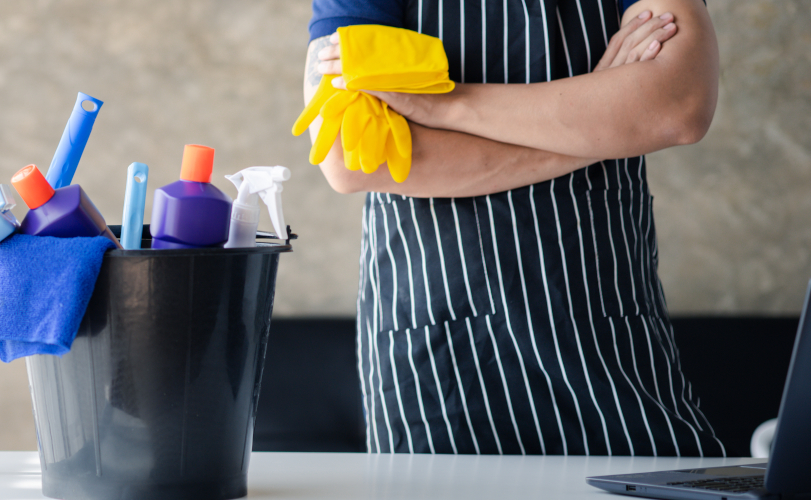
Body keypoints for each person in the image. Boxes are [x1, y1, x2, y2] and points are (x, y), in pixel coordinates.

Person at [302, 0, 724, 455]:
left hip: (610, 344)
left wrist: (446, 104)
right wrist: (604, 125)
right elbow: (353, 159)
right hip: (440, 356)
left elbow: (678, 105)